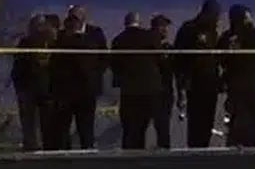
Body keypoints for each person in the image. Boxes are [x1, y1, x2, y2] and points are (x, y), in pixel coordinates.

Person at [47, 10, 108, 150]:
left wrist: (95, 75)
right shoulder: (61, 36)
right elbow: (54, 61)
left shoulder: (95, 33)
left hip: (87, 89)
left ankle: (87, 152)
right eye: (70, 18)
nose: (72, 21)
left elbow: (103, 57)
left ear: (83, 18)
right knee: (63, 127)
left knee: (86, 126)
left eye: (76, 18)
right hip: (65, 90)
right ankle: (63, 154)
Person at [217, 4, 255, 147]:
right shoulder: (231, 38)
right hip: (244, 87)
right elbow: (221, 58)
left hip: (254, 86)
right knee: (241, 121)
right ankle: (244, 146)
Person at [111, 12, 167, 149]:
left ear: (125, 23)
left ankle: (131, 157)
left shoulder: (118, 40)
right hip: (151, 89)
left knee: (131, 131)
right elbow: (161, 60)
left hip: (129, 91)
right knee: (159, 127)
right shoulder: (150, 37)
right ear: (139, 22)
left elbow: (114, 65)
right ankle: (164, 155)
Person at [173, 0, 222, 148]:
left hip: (210, 81)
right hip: (195, 82)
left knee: (207, 119)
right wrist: (182, 83)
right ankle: (195, 149)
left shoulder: (213, 31)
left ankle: (203, 147)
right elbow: (179, 57)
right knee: (196, 120)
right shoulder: (189, 29)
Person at [9, 15, 53, 151]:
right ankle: (30, 145)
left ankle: (49, 145)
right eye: (37, 25)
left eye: (42, 25)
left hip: (48, 88)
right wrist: (20, 86)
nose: (40, 29)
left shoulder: (52, 42)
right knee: (28, 121)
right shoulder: (25, 43)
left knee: (48, 120)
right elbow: (18, 66)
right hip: (28, 88)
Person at [150, 14, 178, 148]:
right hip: (151, 90)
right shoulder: (148, 47)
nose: (165, 30)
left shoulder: (169, 48)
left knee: (163, 126)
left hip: (165, 91)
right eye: (162, 26)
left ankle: (164, 150)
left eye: (166, 27)